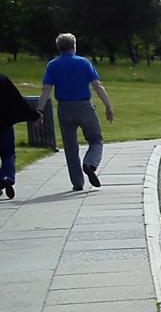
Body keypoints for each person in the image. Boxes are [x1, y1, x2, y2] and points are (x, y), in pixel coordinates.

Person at [36, 33, 114, 192]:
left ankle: (78, 183)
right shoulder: (84, 63)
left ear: (59, 47)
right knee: (96, 139)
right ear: (74, 46)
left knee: (70, 147)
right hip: (84, 105)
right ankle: (90, 164)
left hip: (64, 108)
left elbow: (46, 89)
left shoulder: (52, 65)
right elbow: (97, 85)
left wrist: (39, 110)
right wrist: (108, 106)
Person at [0, 73, 40, 200]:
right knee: (8, 153)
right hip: (4, 123)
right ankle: (7, 177)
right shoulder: (2, 79)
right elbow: (18, 100)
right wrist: (34, 116)